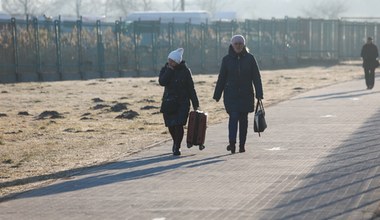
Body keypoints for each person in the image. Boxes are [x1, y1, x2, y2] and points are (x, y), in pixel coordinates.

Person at [213, 34, 264, 154]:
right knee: (233, 117)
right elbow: (222, 78)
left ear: (244, 45)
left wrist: (259, 93)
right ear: (232, 45)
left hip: (246, 94)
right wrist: (217, 94)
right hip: (231, 94)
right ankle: (232, 144)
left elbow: (256, 77)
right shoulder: (226, 60)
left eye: (240, 43)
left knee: (244, 120)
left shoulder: (250, 59)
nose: (238, 46)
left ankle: (242, 145)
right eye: (236, 43)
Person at [159, 48, 200, 156]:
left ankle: (177, 146)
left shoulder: (185, 71)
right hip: (169, 101)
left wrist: (196, 104)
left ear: (177, 61)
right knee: (171, 125)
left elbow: (191, 88)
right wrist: (169, 70)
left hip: (183, 102)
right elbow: (162, 82)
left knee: (179, 125)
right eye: (169, 60)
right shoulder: (165, 69)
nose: (170, 62)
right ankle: (175, 141)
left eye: (172, 61)